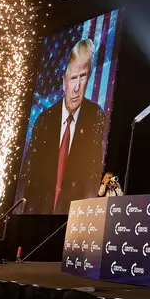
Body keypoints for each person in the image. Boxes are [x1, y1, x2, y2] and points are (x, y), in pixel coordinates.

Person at [19, 39, 106, 214]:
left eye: (83, 77)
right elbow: (28, 178)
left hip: (75, 220)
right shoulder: (44, 120)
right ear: (64, 80)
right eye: (73, 78)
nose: (77, 88)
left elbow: (93, 177)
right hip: (38, 217)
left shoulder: (96, 116)